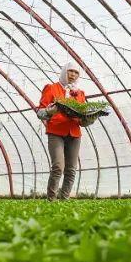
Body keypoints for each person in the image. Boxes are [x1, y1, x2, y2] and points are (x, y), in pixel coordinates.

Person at [37, 61, 86, 200]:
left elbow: (82, 116)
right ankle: (51, 199)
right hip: (56, 132)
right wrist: (50, 111)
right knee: (58, 166)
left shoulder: (80, 93)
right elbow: (40, 112)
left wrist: (87, 119)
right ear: (65, 71)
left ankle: (64, 199)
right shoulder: (51, 88)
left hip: (74, 133)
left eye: (76, 72)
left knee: (71, 169)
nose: (73, 75)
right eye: (71, 71)